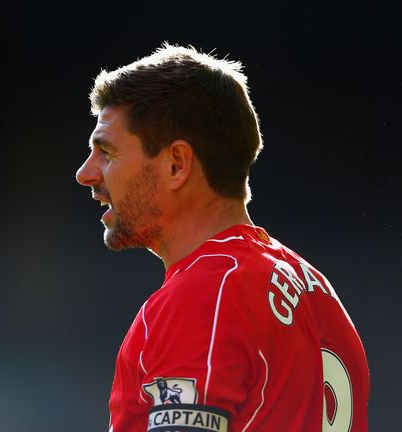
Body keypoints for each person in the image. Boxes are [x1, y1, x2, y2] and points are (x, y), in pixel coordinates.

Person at [75, 43, 370, 432]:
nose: (86, 173)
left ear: (176, 164)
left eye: (107, 152)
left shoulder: (204, 295)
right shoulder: (317, 292)